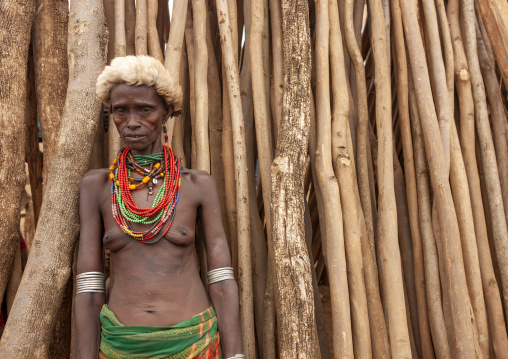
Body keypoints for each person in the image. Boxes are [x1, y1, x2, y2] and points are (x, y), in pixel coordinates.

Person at [75, 55, 243, 359]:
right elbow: (88, 288)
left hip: (194, 341)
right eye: (120, 111)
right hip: (120, 344)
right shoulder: (97, 187)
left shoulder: (196, 185)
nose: (132, 122)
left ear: (166, 111)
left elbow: (221, 280)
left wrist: (236, 356)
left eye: (145, 109)